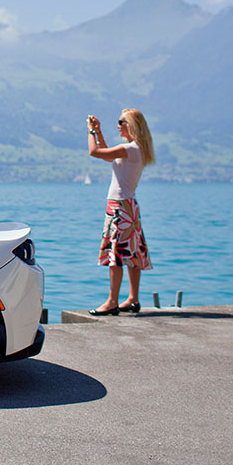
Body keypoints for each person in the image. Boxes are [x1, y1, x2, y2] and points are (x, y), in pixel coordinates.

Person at [86, 108, 155, 316]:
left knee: (115, 256)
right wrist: (99, 132)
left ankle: (112, 301)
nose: (118, 125)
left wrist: (90, 132)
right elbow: (109, 156)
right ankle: (133, 298)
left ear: (131, 125)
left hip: (119, 207)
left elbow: (95, 153)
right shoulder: (136, 149)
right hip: (130, 206)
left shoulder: (129, 149)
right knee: (133, 254)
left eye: (121, 122)